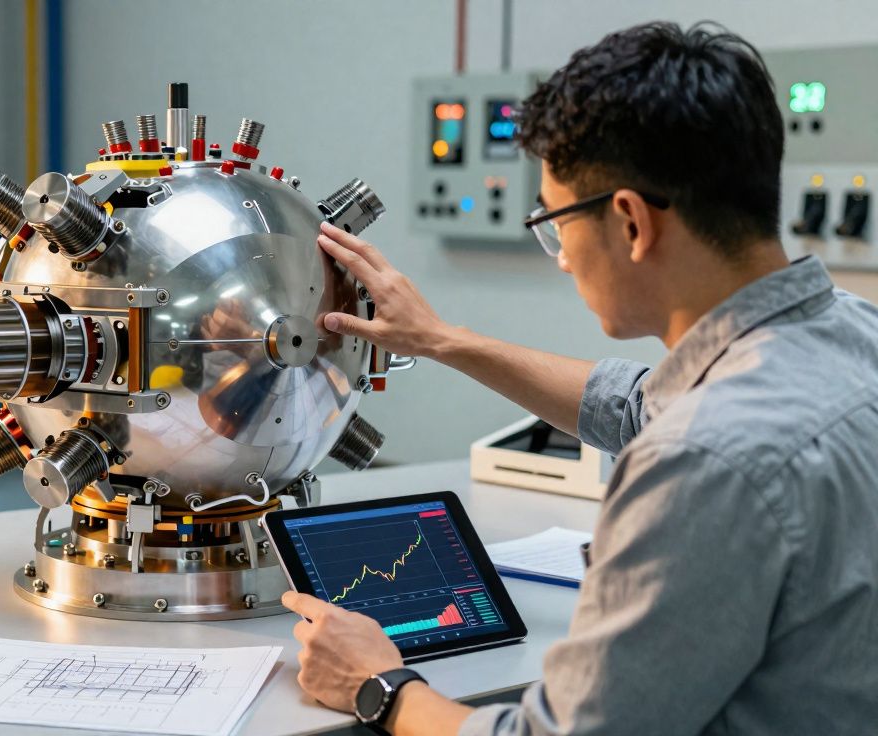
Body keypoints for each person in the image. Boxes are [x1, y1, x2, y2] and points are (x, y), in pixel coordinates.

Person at [283, 21, 878, 736]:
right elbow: (640, 405)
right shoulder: (850, 330)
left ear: (629, 221)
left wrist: (379, 685)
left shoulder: (703, 461)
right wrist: (443, 341)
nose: (560, 257)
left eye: (555, 223)